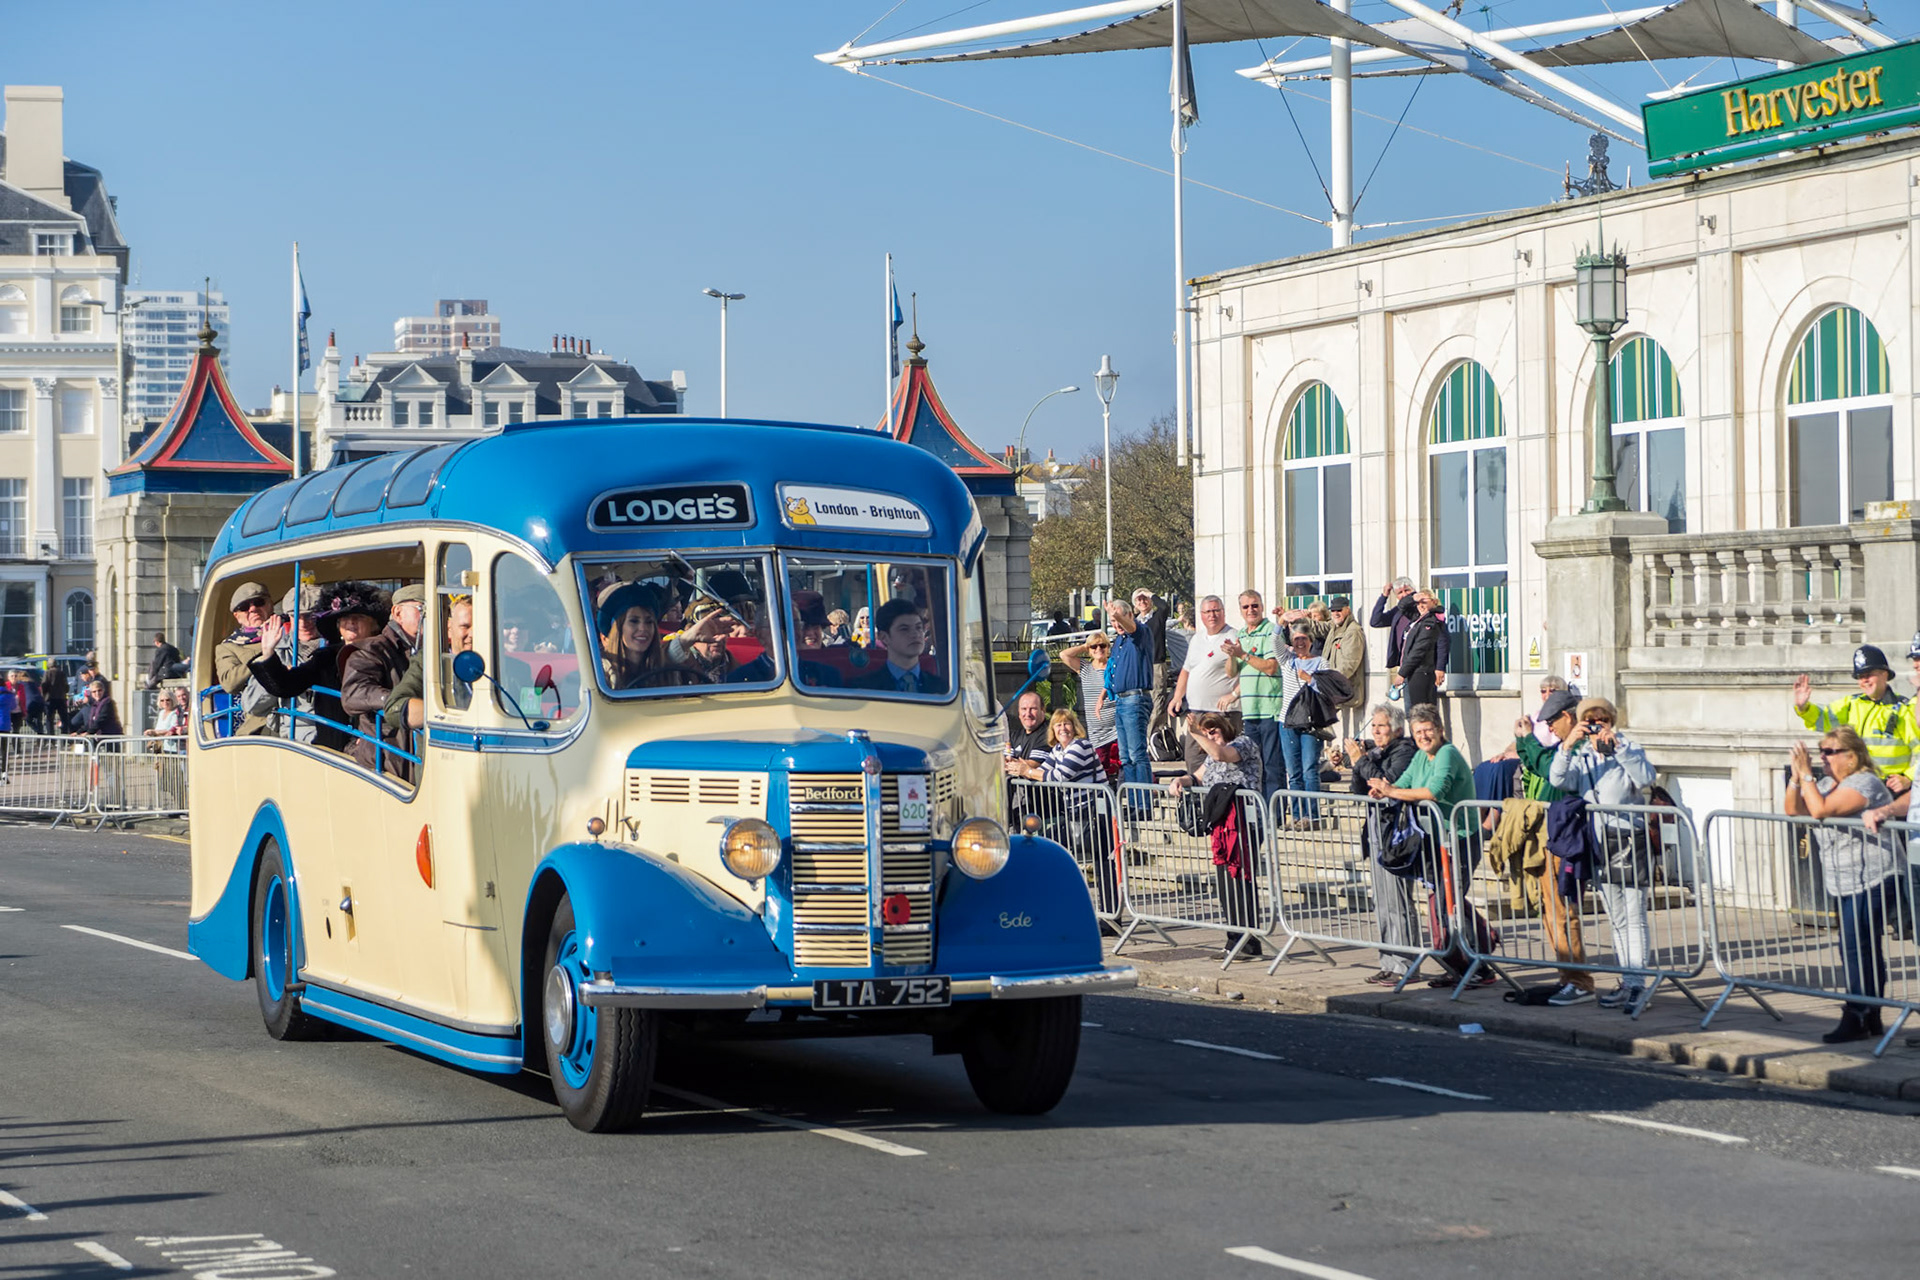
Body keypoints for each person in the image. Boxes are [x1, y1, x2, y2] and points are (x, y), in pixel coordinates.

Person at [1786, 725, 1899, 1044]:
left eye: (1830, 752)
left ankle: (1858, 1014)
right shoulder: (1822, 783)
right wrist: (1797, 777)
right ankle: (1870, 1014)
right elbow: (1794, 810)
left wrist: (1807, 776)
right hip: (1845, 878)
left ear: (1852, 756)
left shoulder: (1864, 782)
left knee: (1856, 944)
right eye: (1820, 751)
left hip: (1875, 873)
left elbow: (1820, 810)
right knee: (1859, 945)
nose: (1823, 758)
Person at [1549, 696, 1656, 1011]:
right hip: (1597, 840)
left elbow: (1646, 778)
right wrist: (1568, 745)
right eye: (1591, 722)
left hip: (1628, 838)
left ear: (1612, 721)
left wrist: (1619, 750)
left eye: (1603, 721)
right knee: (1617, 916)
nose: (1598, 728)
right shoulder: (1582, 756)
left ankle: (1638, 984)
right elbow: (1557, 779)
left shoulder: (1628, 748)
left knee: (1635, 916)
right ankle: (1627, 980)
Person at [1368, 702, 1479, 985]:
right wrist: (1384, 791)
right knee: (1442, 904)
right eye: (1418, 731)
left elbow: (1434, 791)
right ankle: (1463, 964)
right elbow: (1403, 782)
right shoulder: (1421, 756)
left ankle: (1477, 967)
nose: (1423, 736)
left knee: (1446, 906)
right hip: (1434, 841)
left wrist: (1394, 790)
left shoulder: (1447, 754)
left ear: (1440, 730)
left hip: (1460, 838)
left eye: (1428, 730)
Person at [1511, 688, 1593, 1006]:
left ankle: (1579, 980)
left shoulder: (1580, 746)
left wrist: (1528, 740)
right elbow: (1542, 763)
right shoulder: (1563, 746)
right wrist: (1524, 741)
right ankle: (1567, 977)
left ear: (1568, 716)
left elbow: (1551, 770)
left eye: (1552, 722)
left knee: (1564, 912)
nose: (1550, 728)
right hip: (1556, 836)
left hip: (1571, 838)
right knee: (1552, 912)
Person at [1169, 711, 1265, 960]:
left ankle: (1250, 940)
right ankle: (1233, 938)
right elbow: (1197, 777)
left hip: (1244, 821)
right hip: (1221, 823)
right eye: (1207, 732)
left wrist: (1194, 734)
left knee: (1241, 879)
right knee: (1224, 884)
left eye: (1214, 731)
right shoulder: (1210, 755)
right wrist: (1180, 780)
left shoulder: (1243, 743)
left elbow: (1220, 754)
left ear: (1225, 728)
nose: (1211, 735)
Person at [1347, 703, 1419, 984]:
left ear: (1397, 729)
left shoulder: (1404, 751)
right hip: (1378, 831)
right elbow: (1359, 788)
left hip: (1396, 834)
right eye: (1374, 726)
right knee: (1382, 902)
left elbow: (1384, 780)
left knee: (1397, 901)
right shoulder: (1377, 752)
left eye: (1381, 726)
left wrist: (1360, 760)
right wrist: (1356, 761)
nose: (1376, 731)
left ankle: (1406, 964)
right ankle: (1388, 961)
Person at [1792, 646, 1915, 793]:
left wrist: (1908, 778)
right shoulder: (1851, 704)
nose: (1865, 680)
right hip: (1855, 785)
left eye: (1869, 674)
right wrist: (1803, 707)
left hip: (1887, 790)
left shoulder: (1903, 710)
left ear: (1884, 674)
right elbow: (1822, 718)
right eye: (1860, 676)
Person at [341, 583, 425, 778]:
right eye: (423, 609)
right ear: (397, 613)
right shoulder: (372, 650)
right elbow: (353, 694)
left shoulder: (433, 651)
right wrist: (399, 704)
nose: (431, 618)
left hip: (417, 757)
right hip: (386, 761)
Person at [1222, 591, 1280, 804]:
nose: (1250, 610)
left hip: (1269, 707)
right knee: (1252, 764)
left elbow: (1271, 667)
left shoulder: (1272, 631)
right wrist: (1231, 655)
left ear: (1262, 606)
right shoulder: (1242, 635)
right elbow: (1231, 672)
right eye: (1246, 607)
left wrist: (1243, 655)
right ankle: (1257, 809)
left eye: (1254, 605)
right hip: (1250, 709)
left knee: (1272, 764)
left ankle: (1274, 813)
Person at [1273, 627, 1329, 827]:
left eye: (1304, 639)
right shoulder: (1288, 662)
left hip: (1311, 722)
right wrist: (1280, 623)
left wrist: (1310, 680)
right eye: (1296, 639)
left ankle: (1312, 815)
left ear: (1311, 641)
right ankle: (1297, 815)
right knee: (1294, 772)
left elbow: (1328, 688)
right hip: (1287, 721)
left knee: (1309, 769)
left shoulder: (1322, 662)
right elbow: (1275, 642)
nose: (1300, 643)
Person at [1100, 597, 1156, 787]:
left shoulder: (1141, 633)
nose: (1117, 624)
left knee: (1136, 753)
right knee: (1125, 757)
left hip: (1135, 698)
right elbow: (1111, 673)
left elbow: (1132, 628)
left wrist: (1119, 616)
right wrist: (1102, 696)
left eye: (1120, 618)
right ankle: (1133, 802)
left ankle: (1143, 802)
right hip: (1121, 701)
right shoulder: (1119, 641)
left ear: (1130, 615)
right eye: (1113, 622)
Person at [213, 581, 277, 736]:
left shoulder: (292, 630)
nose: (253, 609)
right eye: (244, 607)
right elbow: (229, 682)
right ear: (237, 616)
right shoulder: (229, 646)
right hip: (263, 720)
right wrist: (264, 654)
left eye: (259, 602)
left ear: (270, 605)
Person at [1060, 633, 1120, 781]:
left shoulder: (1114, 665)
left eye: (1102, 645)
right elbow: (1064, 654)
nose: (1098, 649)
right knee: (1099, 770)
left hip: (1117, 728)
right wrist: (1085, 646)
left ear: (1108, 648)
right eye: (1094, 646)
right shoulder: (1084, 668)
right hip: (1096, 732)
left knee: (1124, 764)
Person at [854, 598, 945, 694]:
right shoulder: (865, 688)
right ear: (884, 637)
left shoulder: (942, 688)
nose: (915, 634)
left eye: (918, 627)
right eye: (904, 629)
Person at [1393, 589, 1450, 710]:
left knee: (1421, 713)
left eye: (1424, 601)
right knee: (1414, 712)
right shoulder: (1418, 618)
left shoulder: (1432, 621)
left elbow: (1420, 649)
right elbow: (1402, 606)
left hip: (1421, 670)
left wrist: (1402, 673)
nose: (1420, 605)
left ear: (1433, 602)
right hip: (1412, 670)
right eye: (1418, 603)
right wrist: (1414, 598)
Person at [1131, 588, 1173, 742]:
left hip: (1155, 664)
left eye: (1145, 599)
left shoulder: (1157, 617)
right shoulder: (1133, 622)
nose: (1142, 602)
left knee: (1157, 700)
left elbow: (1164, 607)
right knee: (1140, 702)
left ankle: (1150, 737)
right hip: (1139, 666)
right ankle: (1141, 736)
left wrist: (1151, 594)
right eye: (1139, 600)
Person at [1368, 577, 1419, 670]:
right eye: (1400, 592)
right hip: (1403, 662)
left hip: (1418, 662)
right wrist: (1384, 596)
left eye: (1407, 590)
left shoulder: (1420, 607)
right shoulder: (1398, 611)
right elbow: (1375, 621)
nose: (1404, 595)